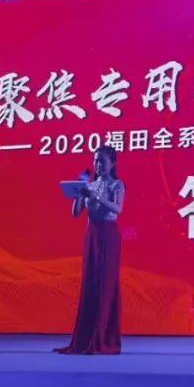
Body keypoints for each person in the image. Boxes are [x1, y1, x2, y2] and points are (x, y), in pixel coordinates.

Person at [55, 145, 125, 355]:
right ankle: (82, 340)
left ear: (112, 163)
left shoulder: (117, 184)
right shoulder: (90, 185)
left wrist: (96, 197)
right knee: (91, 284)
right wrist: (79, 192)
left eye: (102, 160)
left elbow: (118, 209)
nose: (98, 164)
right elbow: (76, 213)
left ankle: (102, 339)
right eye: (96, 160)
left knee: (105, 284)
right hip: (92, 235)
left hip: (108, 235)